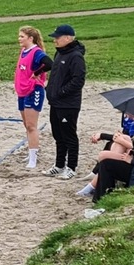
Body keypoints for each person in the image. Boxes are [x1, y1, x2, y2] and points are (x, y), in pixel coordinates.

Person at [43, 24, 87, 180]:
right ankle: (59, 164)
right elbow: (56, 76)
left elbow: (78, 81)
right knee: (58, 135)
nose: (55, 40)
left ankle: (71, 167)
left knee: (69, 135)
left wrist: (61, 92)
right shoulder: (59, 54)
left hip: (68, 104)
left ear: (68, 38)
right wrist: (50, 90)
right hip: (55, 102)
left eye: (58, 37)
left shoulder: (75, 56)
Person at [15, 26, 52, 169]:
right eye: (19, 36)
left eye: (22, 36)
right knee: (26, 125)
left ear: (30, 38)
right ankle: (32, 150)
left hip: (33, 90)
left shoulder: (37, 52)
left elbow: (49, 64)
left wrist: (37, 72)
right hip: (22, 91)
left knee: (32, 126)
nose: (19, 39)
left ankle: (33, 158)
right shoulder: (24, 51)